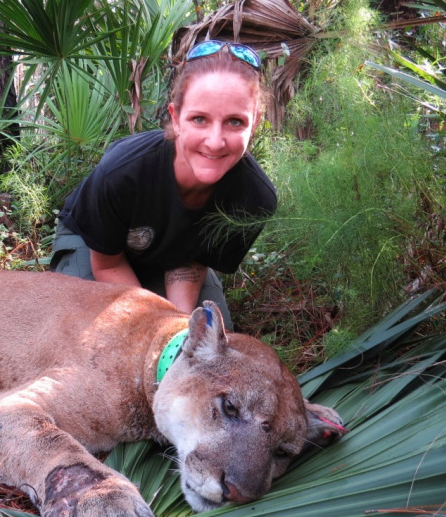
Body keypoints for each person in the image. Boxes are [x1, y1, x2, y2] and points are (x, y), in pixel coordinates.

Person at [50, 39, 277, 330]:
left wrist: (178, 323)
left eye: (235, 122)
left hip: (172, 253)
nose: (215, 141)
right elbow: (108, 264)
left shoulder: (255, 198)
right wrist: (156, 325)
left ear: (255, 123)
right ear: (176, 117)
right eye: (199, 119)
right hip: (95, 245)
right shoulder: (122, 171)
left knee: (209, 341)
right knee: (96, 335)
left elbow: (193, 261)